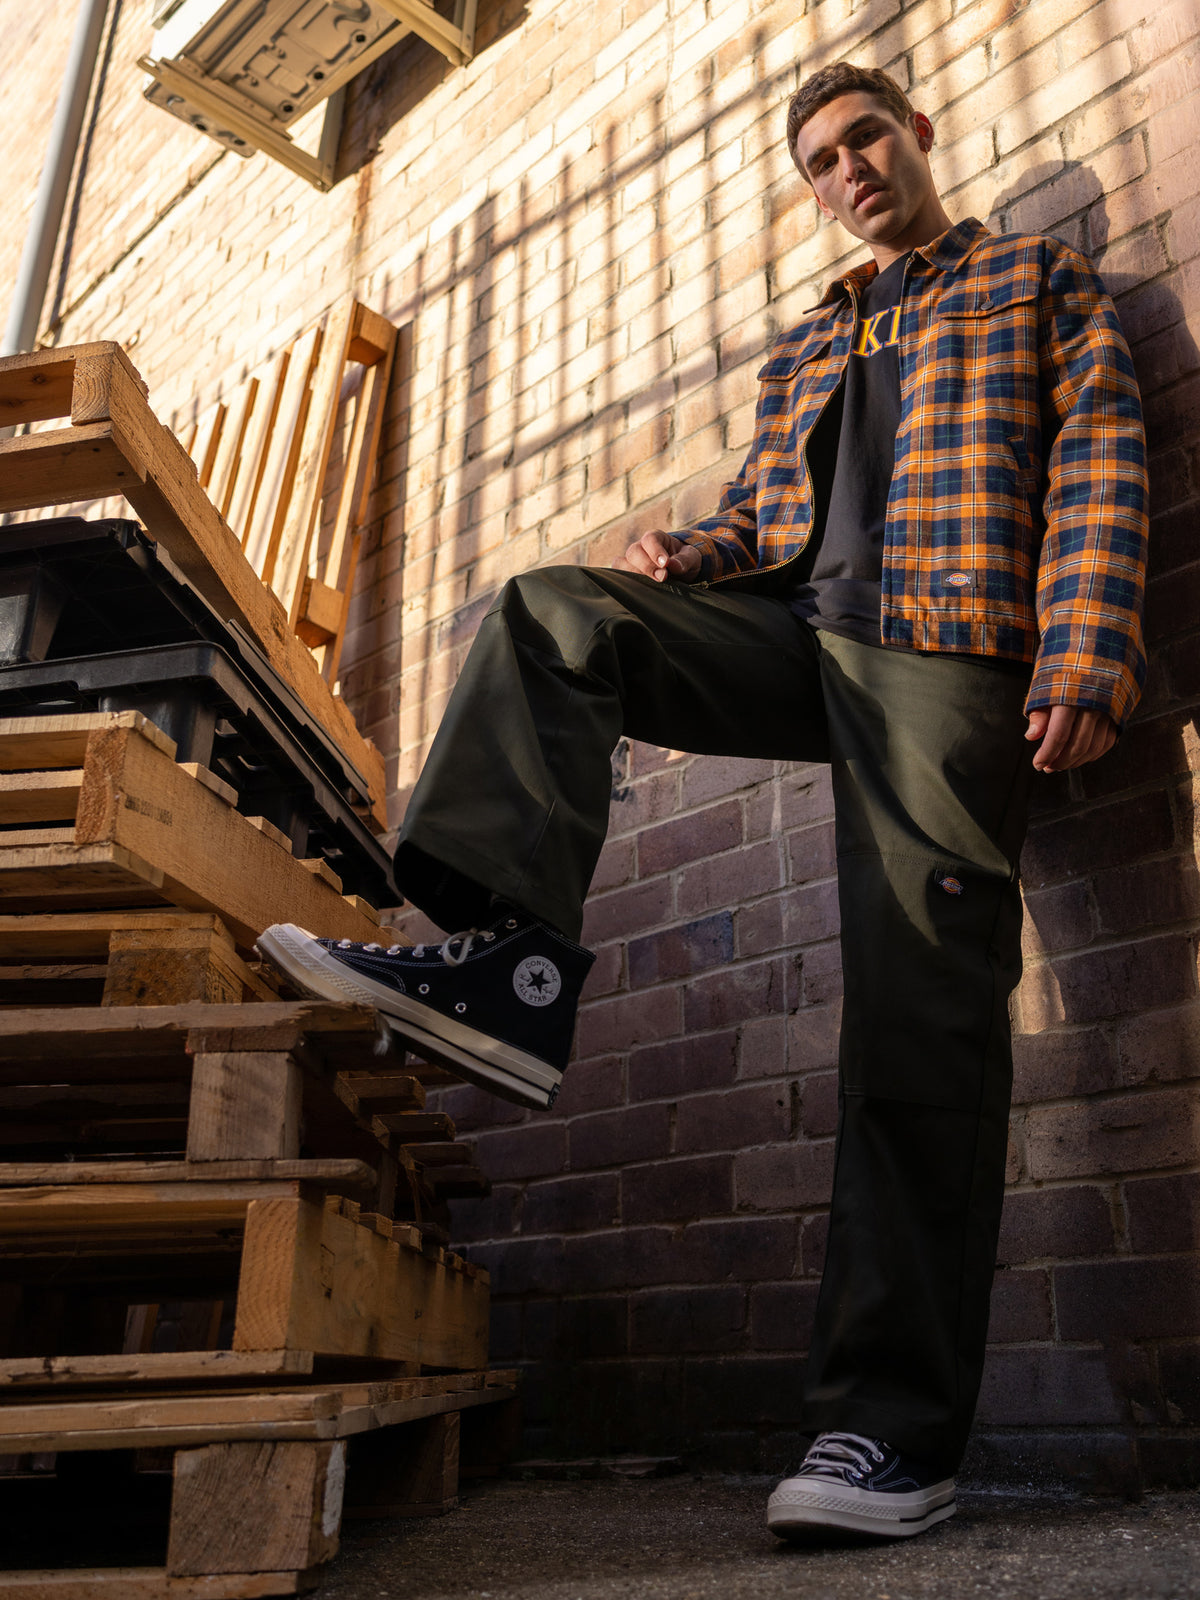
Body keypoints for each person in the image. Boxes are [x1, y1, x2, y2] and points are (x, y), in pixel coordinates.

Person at [258, 62, 1147, 1542]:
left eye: (866, 139)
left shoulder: (1029, 283)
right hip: (801, 641)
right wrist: (693, 554)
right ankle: (509, 965)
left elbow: (1103, 464)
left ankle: (889, 1435)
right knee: (557, 612)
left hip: (948, 654)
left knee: (918, 1018)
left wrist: (1087, 652)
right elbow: (764, 516)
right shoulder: (814, 339)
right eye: (822, 163)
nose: (850, 172)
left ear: (919, 135)